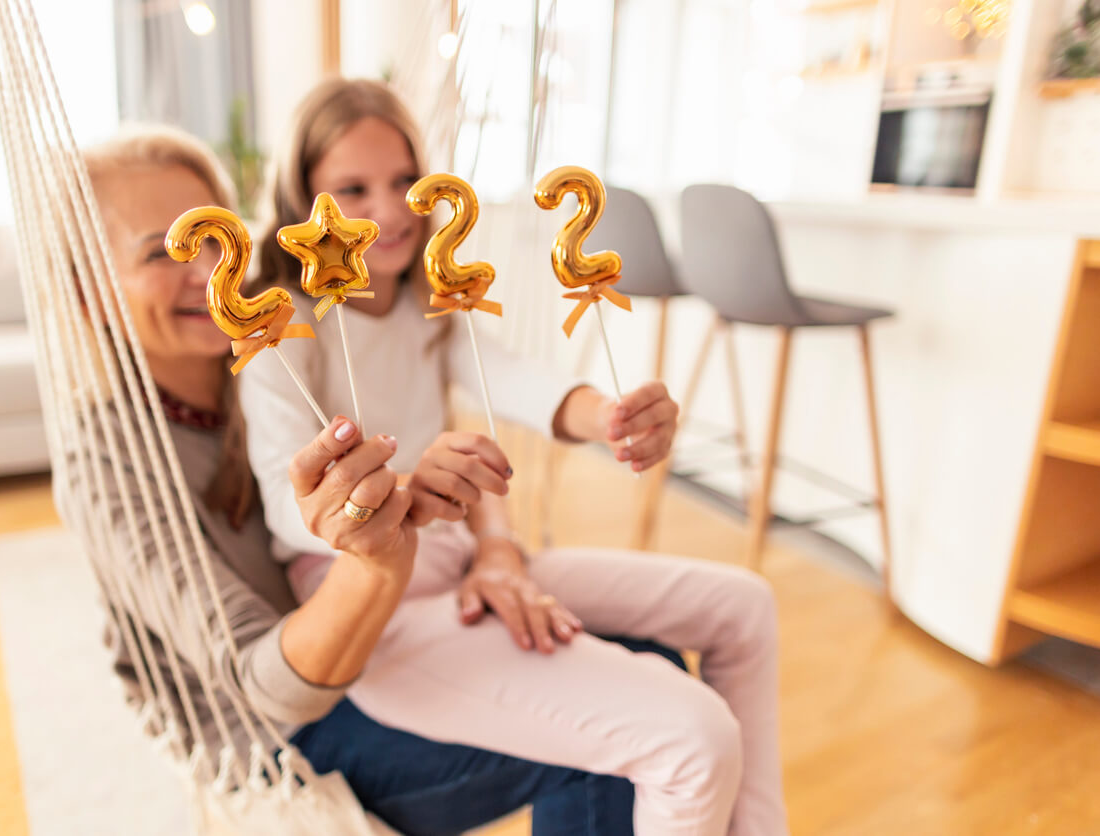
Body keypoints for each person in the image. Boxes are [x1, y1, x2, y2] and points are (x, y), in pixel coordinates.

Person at [70, 125, 665, 836]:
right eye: (161, 253)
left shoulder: (283, 370)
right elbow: (275, 688)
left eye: (215, 239)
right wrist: (376, 557)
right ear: (91, 292)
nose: (208, 272)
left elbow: (451, 430)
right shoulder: (107, 465)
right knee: (618, 736)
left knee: (649, 658)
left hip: (383, 640)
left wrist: (496, 547)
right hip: (288, 734)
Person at [241, 79, 788, 836]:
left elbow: (523, 384)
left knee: (746, 607)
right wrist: (402, 496)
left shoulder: (429, 310)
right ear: (304, 207)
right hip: (374, 608)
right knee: (694, 739)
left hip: (466, 565)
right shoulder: (283, 328)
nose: (391, 209)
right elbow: (286, 507)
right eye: (352, 189)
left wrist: (614, 417)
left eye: (404, 180)